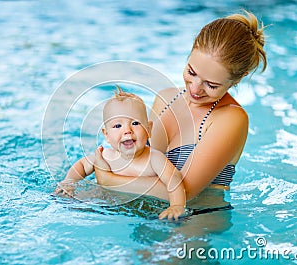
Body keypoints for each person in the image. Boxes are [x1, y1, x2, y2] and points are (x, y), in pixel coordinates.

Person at [93, 10, 267, 203]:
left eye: (211, 85)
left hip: (196, 222)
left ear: (237, 80)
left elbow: (184, 192)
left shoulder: (230, 118)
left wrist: (108, 179)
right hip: (145, 211)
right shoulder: (166, 98)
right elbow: (141, 165)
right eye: (191, 72)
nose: (195, 89)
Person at [55, 86, 186, 220]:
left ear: (148, 129)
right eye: (118, 126)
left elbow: (174, 179)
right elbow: (82, 166)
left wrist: (177, 205)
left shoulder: (154, 159)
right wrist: (69, 182)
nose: (127, 130)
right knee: (68, 201)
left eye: (135, 123)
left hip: (144, 212)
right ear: (106, 135)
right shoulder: (106, 156)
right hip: (104, 204)